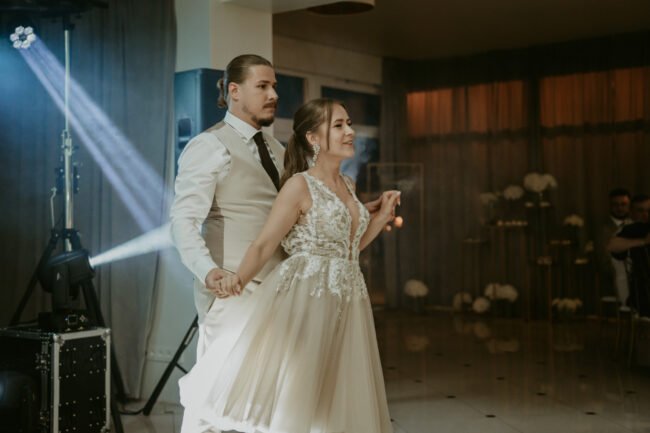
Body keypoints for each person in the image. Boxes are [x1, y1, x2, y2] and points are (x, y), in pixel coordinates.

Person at [179, 98, 399, 433]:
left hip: (348, 299)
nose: (350, 132)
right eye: (338, 125)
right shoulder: (299, 185)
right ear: (313, 138)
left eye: (349, 124)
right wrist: (237, 280)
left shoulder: (348, 185)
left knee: (336, 397)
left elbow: (348, 250)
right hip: (309, 300)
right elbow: (264, 244)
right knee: (300, 398)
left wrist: (380, 218)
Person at [608, 194, 650, 315]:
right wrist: (643, 241)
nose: (646, 215)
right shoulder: (633, 229)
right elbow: (612, 245)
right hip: (644, 290)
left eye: (649, 211)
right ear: (632, 212)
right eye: (641, 211)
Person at [596, 188, 632, 303]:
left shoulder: (635, 225)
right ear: (610, 206)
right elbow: (603, 258)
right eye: (615, 205)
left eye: (623, 204)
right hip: (612, 279)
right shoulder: (603, 230)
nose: (620, 208)